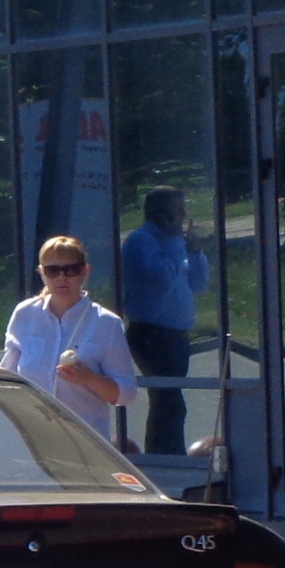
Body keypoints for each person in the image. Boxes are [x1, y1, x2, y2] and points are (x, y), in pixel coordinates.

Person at [0, 236, 137, 442]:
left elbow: (127, 394)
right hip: (33, 438)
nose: (61, 277)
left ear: (85, 272)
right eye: (52, 270)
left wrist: (88, 378)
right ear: (42, 274)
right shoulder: (25, 314)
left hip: (85, 441)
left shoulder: (106, 323)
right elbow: (7, 377)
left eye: (71, 269)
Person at [121, 186, 208, 455]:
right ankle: (166, 457)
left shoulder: (174, 244)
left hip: (176, 335)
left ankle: (165, 454)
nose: (183, 215)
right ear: (159, 212)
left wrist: (195, 252)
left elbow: (199, 284)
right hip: (151, 333)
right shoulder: (141, 241)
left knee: (169, 400)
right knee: (168, 400)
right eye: (177, 210)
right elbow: (160, 279)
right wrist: (173, 242)